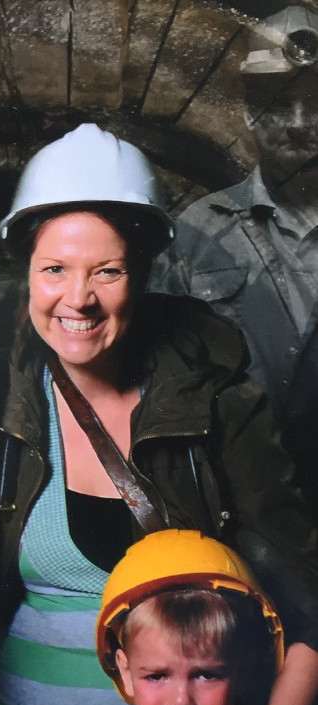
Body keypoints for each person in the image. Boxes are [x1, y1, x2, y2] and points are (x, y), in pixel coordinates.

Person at [0, 123, 318, 705]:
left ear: (143, 273)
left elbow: (310, 604)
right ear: (26, 272)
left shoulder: (219, 404)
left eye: (106, 270)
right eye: (55, 269)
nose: (77, 299)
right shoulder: (4, 399)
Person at [148, 5, 318, 505]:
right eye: (277, 103)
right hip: (247, 506)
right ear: (248, 110)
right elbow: (158, 386)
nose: (298, 123)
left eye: (316, 102)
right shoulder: (199, 231)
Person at [48, 530, 318, 705]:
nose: (181, 701)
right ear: (126, 673)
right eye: (157, 676)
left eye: (206, 674)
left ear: (243, 671)